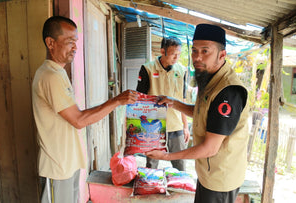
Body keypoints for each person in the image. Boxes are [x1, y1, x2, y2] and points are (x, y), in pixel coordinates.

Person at [32, 16, 138, 203]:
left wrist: (115, 102)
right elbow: (79, 120)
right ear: (50, 43)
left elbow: (77, 116)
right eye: (70, 42)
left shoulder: (58, 72)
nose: (75, 47)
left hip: (66, 163)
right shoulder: (50, 76)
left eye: (76, 42)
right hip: (57, 167)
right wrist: (116, 101)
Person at [146, 24, 249, 203]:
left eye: (205, 51)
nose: (197, 57)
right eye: (194, 51)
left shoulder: (228, 91)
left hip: (220, 178)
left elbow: (210, 148)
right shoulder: (210, 77)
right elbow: (203, 113)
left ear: (222, 55)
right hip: (208, 172)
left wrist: (166, 156)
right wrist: (174, 103)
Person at [136, 36, 190, 171]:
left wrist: (185, 126)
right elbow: (140, 101)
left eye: (179, 54)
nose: (176, 57)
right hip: (152, 127)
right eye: (173, 54)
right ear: (162, 51)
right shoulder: (147, 69)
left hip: (175, 125)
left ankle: (179, 191)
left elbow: (183, 99)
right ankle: (151, 190)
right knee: (151, 166)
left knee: (180, 166)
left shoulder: (182, 71)